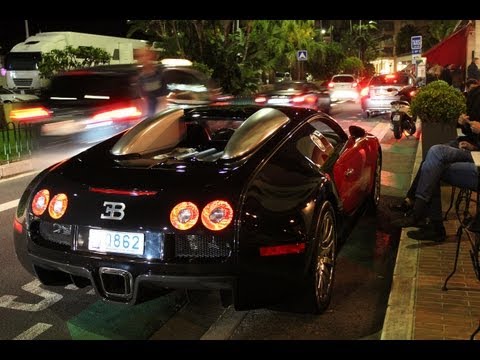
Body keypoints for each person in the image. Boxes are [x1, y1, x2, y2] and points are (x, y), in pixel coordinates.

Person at [390, 78, 480, 241]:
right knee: (433, 158)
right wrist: (463, 125)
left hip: (476, 159)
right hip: (473, 150)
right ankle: (426, 217)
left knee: (434, 160)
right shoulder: (475, 95)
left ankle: (420, 213)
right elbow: (471, 127)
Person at [137, 47, 168, 117]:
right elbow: (141, 98)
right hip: (145, 115)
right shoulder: (139, 77)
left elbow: (163, 98)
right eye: (140, 56)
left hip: (158, 115)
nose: (143, 58)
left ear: (151, 56)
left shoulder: (159, 73)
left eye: (145, 55)